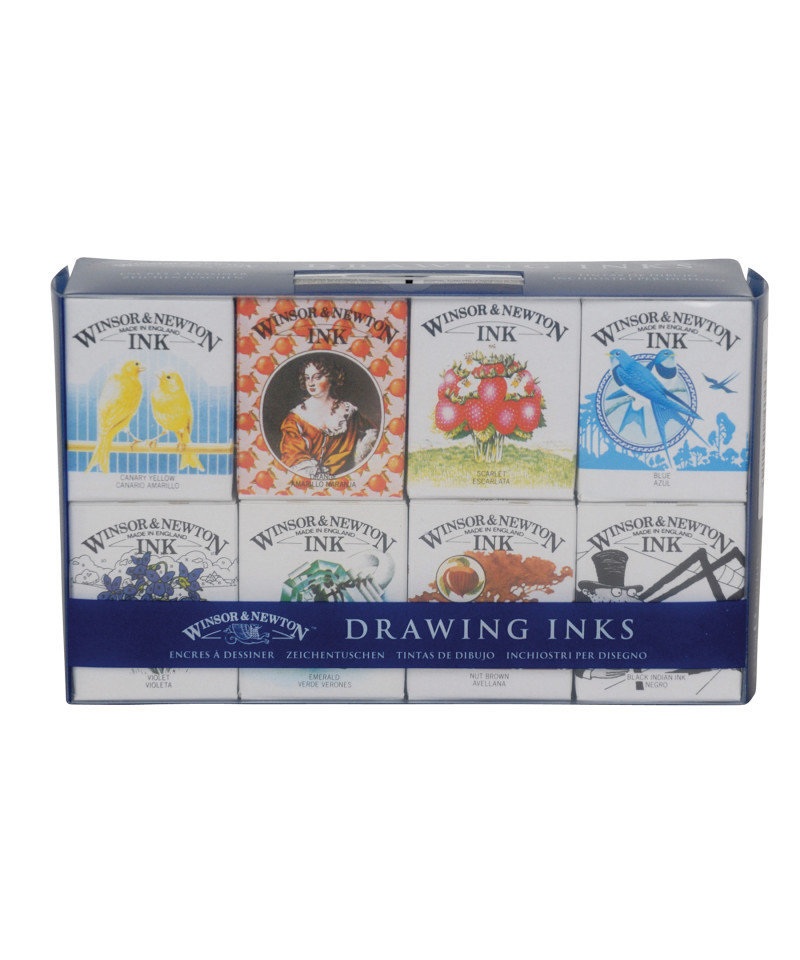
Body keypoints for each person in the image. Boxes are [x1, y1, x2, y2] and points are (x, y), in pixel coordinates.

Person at [279, 357, 377, 478]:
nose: (310, 383)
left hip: (344, 480)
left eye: (317, 377)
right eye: (307, 378)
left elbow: (373, 435)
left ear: (331, 379)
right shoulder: (296, 418)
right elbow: (292, 455)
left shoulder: (349, 413)